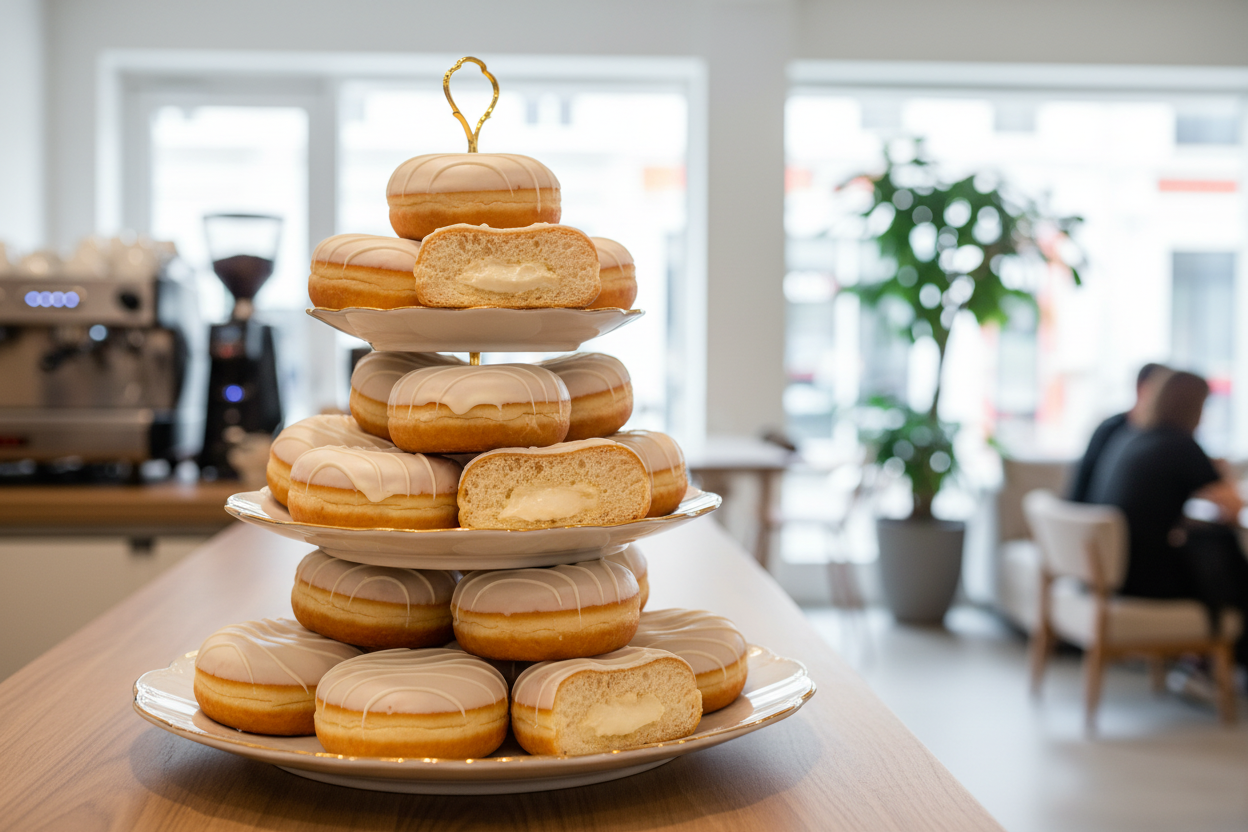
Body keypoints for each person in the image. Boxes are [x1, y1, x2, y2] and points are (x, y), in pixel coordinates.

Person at [1087, 370, 1248, 664]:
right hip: (1145, 579)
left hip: (1119, 570)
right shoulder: (1181, 445)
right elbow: (1234, 507)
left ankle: (1206, 666)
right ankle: (1221, 662)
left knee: (1218, 550)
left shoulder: (1132, 437)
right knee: (1232, 569)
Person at [1068, 362, 1168, 503]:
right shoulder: (1125, 431)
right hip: (1097, 516)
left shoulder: (1114, 425)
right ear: (1142, 388)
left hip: (1086, 516)